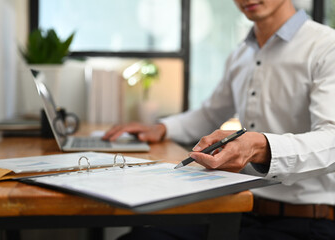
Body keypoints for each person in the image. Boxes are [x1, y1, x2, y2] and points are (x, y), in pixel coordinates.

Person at [103, 0, 335, 239]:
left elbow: (332, 139)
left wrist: (261, 146)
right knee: (141, 237)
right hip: (239, 208)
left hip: (307, 221)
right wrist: (162, 128)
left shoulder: (326, 46)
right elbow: (210, 114)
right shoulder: (241, 54)